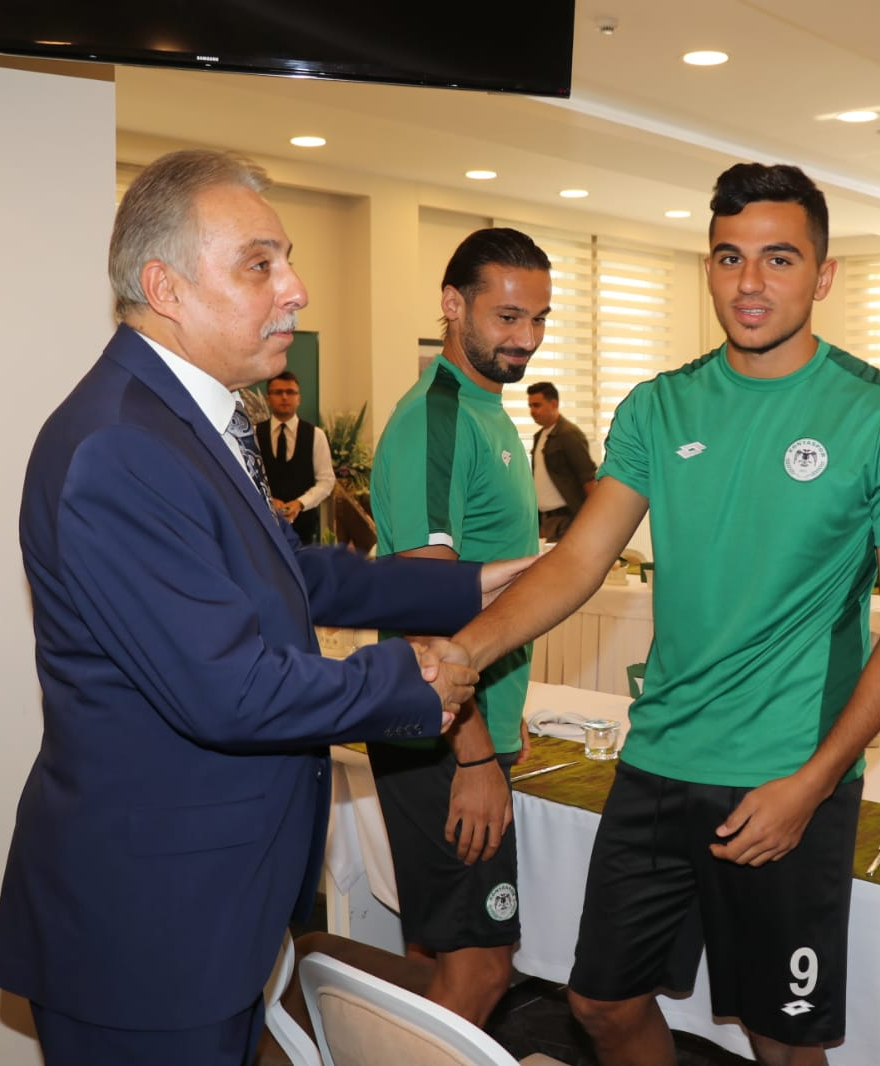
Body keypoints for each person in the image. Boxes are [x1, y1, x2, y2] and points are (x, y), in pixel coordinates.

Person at [0, 149, 529, 1066]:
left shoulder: (186, 419)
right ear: (164, 287)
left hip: (209, 910)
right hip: (150, 932)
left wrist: (473, 581)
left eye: (287, 262)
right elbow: (228, 690)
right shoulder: (121, 446)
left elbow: (291, 574)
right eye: (260, 265)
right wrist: (414, 679)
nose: (296, 290)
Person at [453, 163, 880, 1066]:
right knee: (600, 1003)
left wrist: (812, 785)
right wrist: (463, 653)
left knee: (781, 1041)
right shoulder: (659, 406)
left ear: (823, 275)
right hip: (657, 763)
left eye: (778, 259)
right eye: (728, 258)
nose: (749, 283)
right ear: (708, 268)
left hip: (785, 774)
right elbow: (576, 563)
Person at [366, 227, 551, 1026]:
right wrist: (474, 754)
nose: (525, 338)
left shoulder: (487, 410)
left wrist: (502, 716)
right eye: (507, 317)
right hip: (441, 734)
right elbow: (424, 609)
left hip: (459, 721)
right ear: (452, 304)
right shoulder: (435, 418)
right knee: (479, 969)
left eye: (537, 319)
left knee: (440, 955)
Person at [257, 369, 336, 543]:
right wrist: (268, 500)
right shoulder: (254, 434)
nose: (284, 397)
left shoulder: (316, 435)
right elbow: (248, 478)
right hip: (263, 526)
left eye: (290, 392)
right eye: (278, 392)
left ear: (299, 398)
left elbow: (326, 481)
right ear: (268, 398)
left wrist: (300, 503)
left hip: (304, 529)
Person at [527, 381, 598, 540]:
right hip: (548, 521)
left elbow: (588, 477)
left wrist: (593, 520)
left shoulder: (568, 434)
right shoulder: (539, 437)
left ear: (553, 404)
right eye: (530, 406)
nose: (532, 411)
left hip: (568, 520)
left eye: (537, 405)